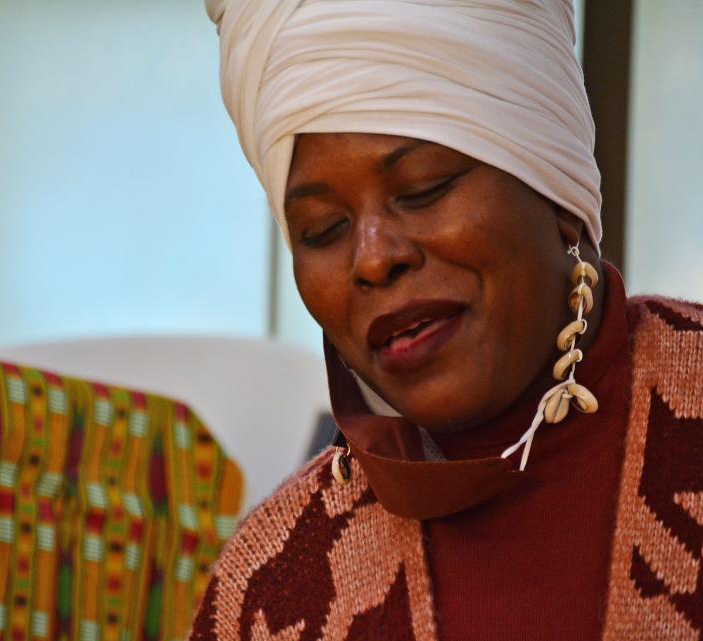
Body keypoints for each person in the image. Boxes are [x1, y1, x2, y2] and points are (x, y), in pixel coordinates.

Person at [189, 1, 703, 640]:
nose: (374, 258)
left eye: (425, 188)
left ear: (558, 192)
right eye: (323, 231)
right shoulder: (273, 589)